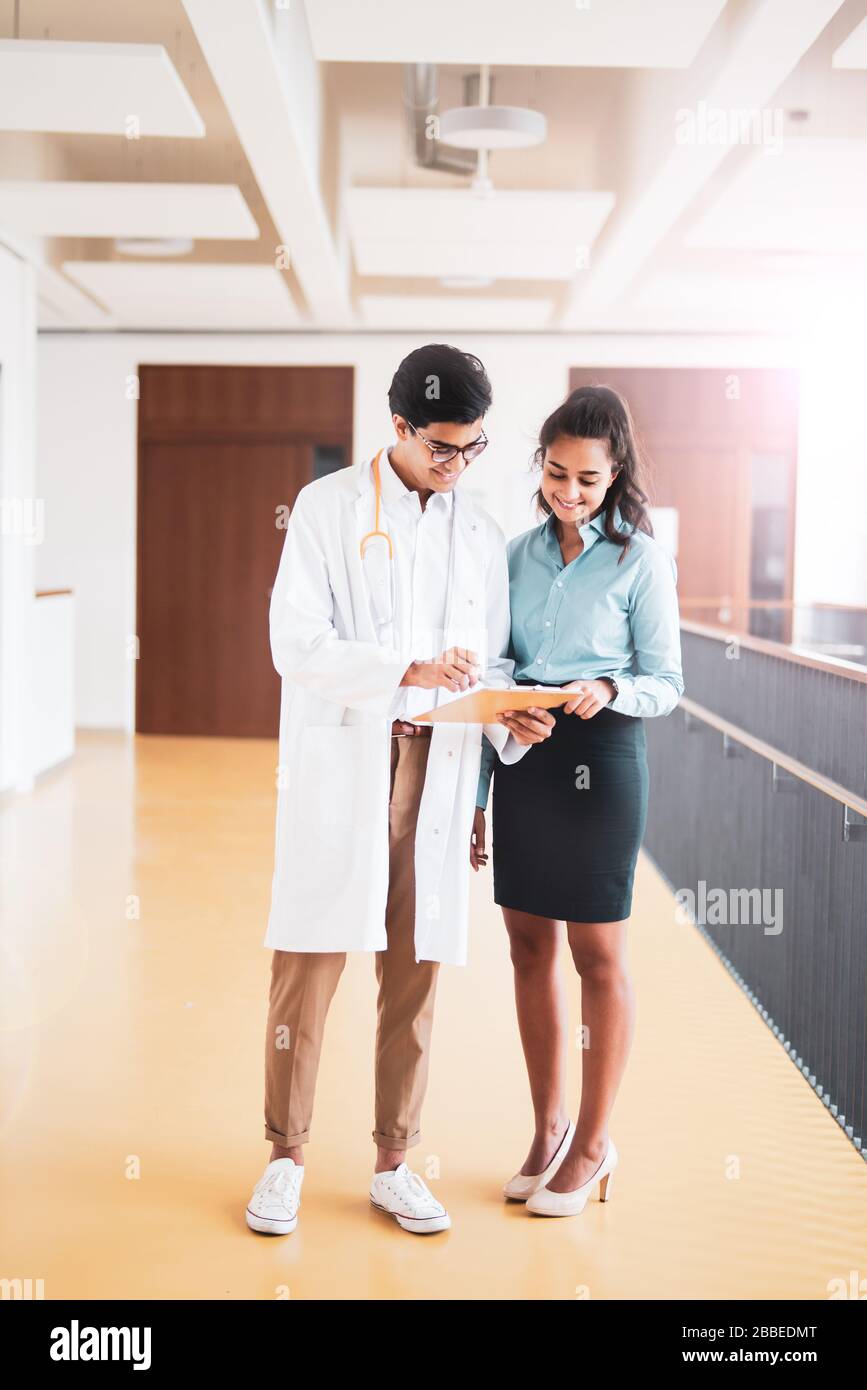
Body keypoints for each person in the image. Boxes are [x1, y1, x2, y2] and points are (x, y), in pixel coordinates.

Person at [245, 344, 552, 1238]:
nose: (455, 467)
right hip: (348, 758)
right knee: (306, 965)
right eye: (441, 449)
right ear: (398, 428)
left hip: (439, 764)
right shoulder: (327, 508)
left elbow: (490, 660)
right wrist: (403, 667)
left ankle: (393, 1161)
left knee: (414, 973)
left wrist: (508, 720)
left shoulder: (480, 533)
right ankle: (284, 1157)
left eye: (472, 449)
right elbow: (293, 641)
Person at [471, 384, 684, 1218]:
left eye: (587, 480)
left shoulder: (640, 559)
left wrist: (605, 685)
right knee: (528, 950)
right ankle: (547, 1127)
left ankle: (594, 1143)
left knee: (597, 957)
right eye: (557, 474)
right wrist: (485, 787)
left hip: (601, 751)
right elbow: (495, 669)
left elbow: (666, 683)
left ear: (615, 473)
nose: (569, 492)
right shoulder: (514, 554)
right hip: (524, 748)